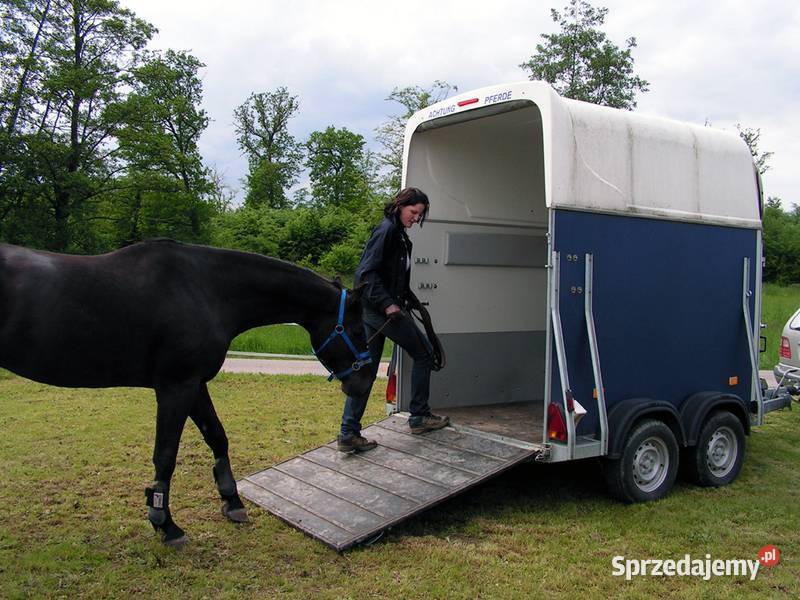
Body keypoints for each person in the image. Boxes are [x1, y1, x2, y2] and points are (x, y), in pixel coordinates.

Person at [338, 187, 450, 453]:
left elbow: (391, 275)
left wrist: (405, 297)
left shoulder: (398, 233)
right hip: (381, 314)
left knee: (366, 370)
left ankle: (348, 433)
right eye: (413, 212)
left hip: (376, 311)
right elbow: (366, 275)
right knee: (424, 355)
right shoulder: (387, 231)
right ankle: (420, 416)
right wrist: (389, 304)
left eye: (419, 215)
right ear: (401, 206)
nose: (415, 219)